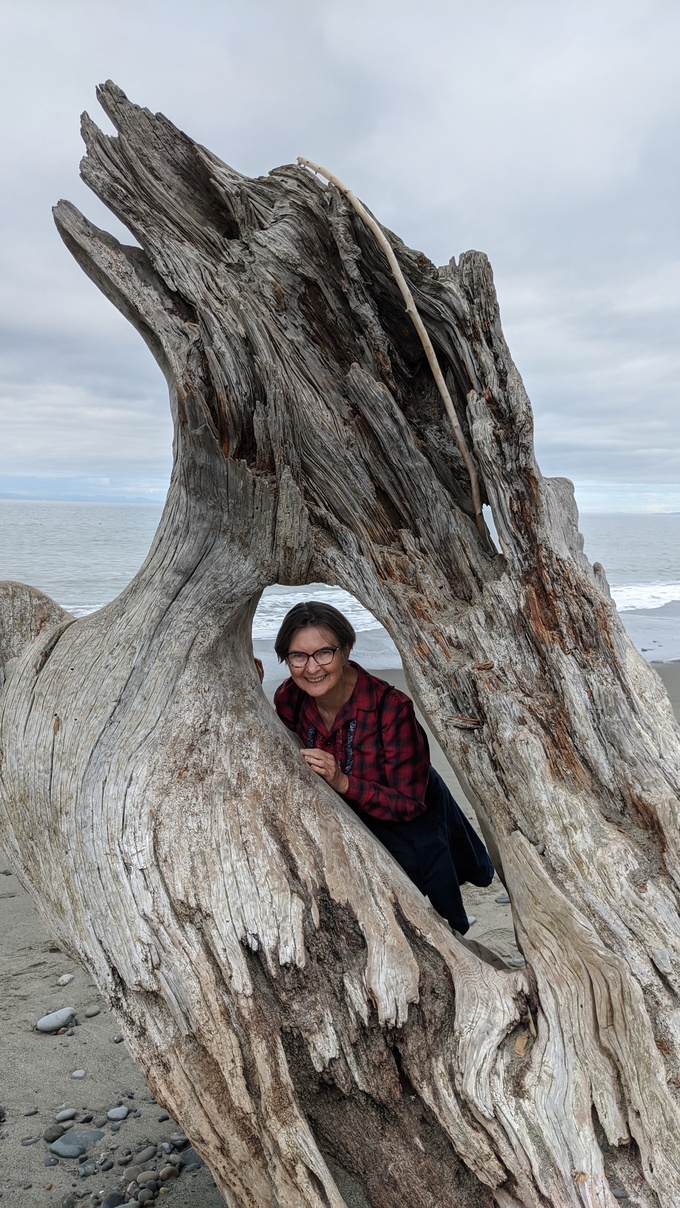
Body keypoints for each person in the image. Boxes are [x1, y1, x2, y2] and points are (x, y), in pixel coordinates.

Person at [273, 600, 494, 935]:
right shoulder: (292, 697)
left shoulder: (390, 709)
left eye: (324, 653)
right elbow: (278, 738)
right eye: (298, 656)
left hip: (406, 823)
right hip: (347, 823)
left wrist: (343, 781)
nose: (311, 667)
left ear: (345, 650)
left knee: (427, 915)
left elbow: (409, 803)